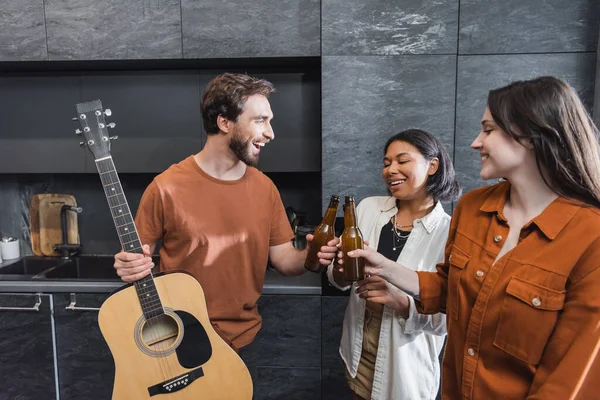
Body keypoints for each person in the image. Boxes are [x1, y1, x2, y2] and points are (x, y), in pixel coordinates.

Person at [339, 76, 600, 399]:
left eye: (488, 130)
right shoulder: (473, 209)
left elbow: (570, 378)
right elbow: (449, 290)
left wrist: (401, 301)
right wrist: (381, 266)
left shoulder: (590, 237)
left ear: (532, 135)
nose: (476, 142)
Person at [112, 73, 334, 351]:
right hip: (181, 338)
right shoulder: (165, 187)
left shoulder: (265, 188)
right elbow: (137, 259)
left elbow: (285, 260)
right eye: (260, 120)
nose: (270, 133)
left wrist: (313, 254)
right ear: (224, 122)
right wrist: (129, 265)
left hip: (245, 340)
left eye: (270, 121)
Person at [326, 129, 461, 400]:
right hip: (358, 353)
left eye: (402, 161)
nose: (391, 170)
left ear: (432, 165)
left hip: (405, 370)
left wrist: (400, 301)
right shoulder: (368, 208)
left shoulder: (450, 232)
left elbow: (449, 320)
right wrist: (338, 267)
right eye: (387, 163)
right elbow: (339, 279)